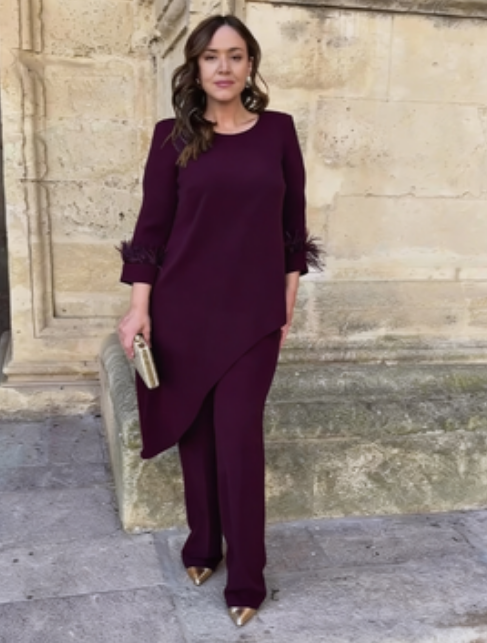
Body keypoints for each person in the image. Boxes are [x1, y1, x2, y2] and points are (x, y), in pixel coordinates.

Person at [117, 14, 321, 627]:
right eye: (211, 56)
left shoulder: (278, 131)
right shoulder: (171, 138)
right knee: (197, 436)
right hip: (182, 309)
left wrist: (287, 298)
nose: (224, 67)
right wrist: (139, 308)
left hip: (253, 314)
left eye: (235, 55)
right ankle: (203, 545)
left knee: (237, 437)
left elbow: (292, 225)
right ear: (197, 67)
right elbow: (152, 229)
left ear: (251, 64)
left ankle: (248, 575)